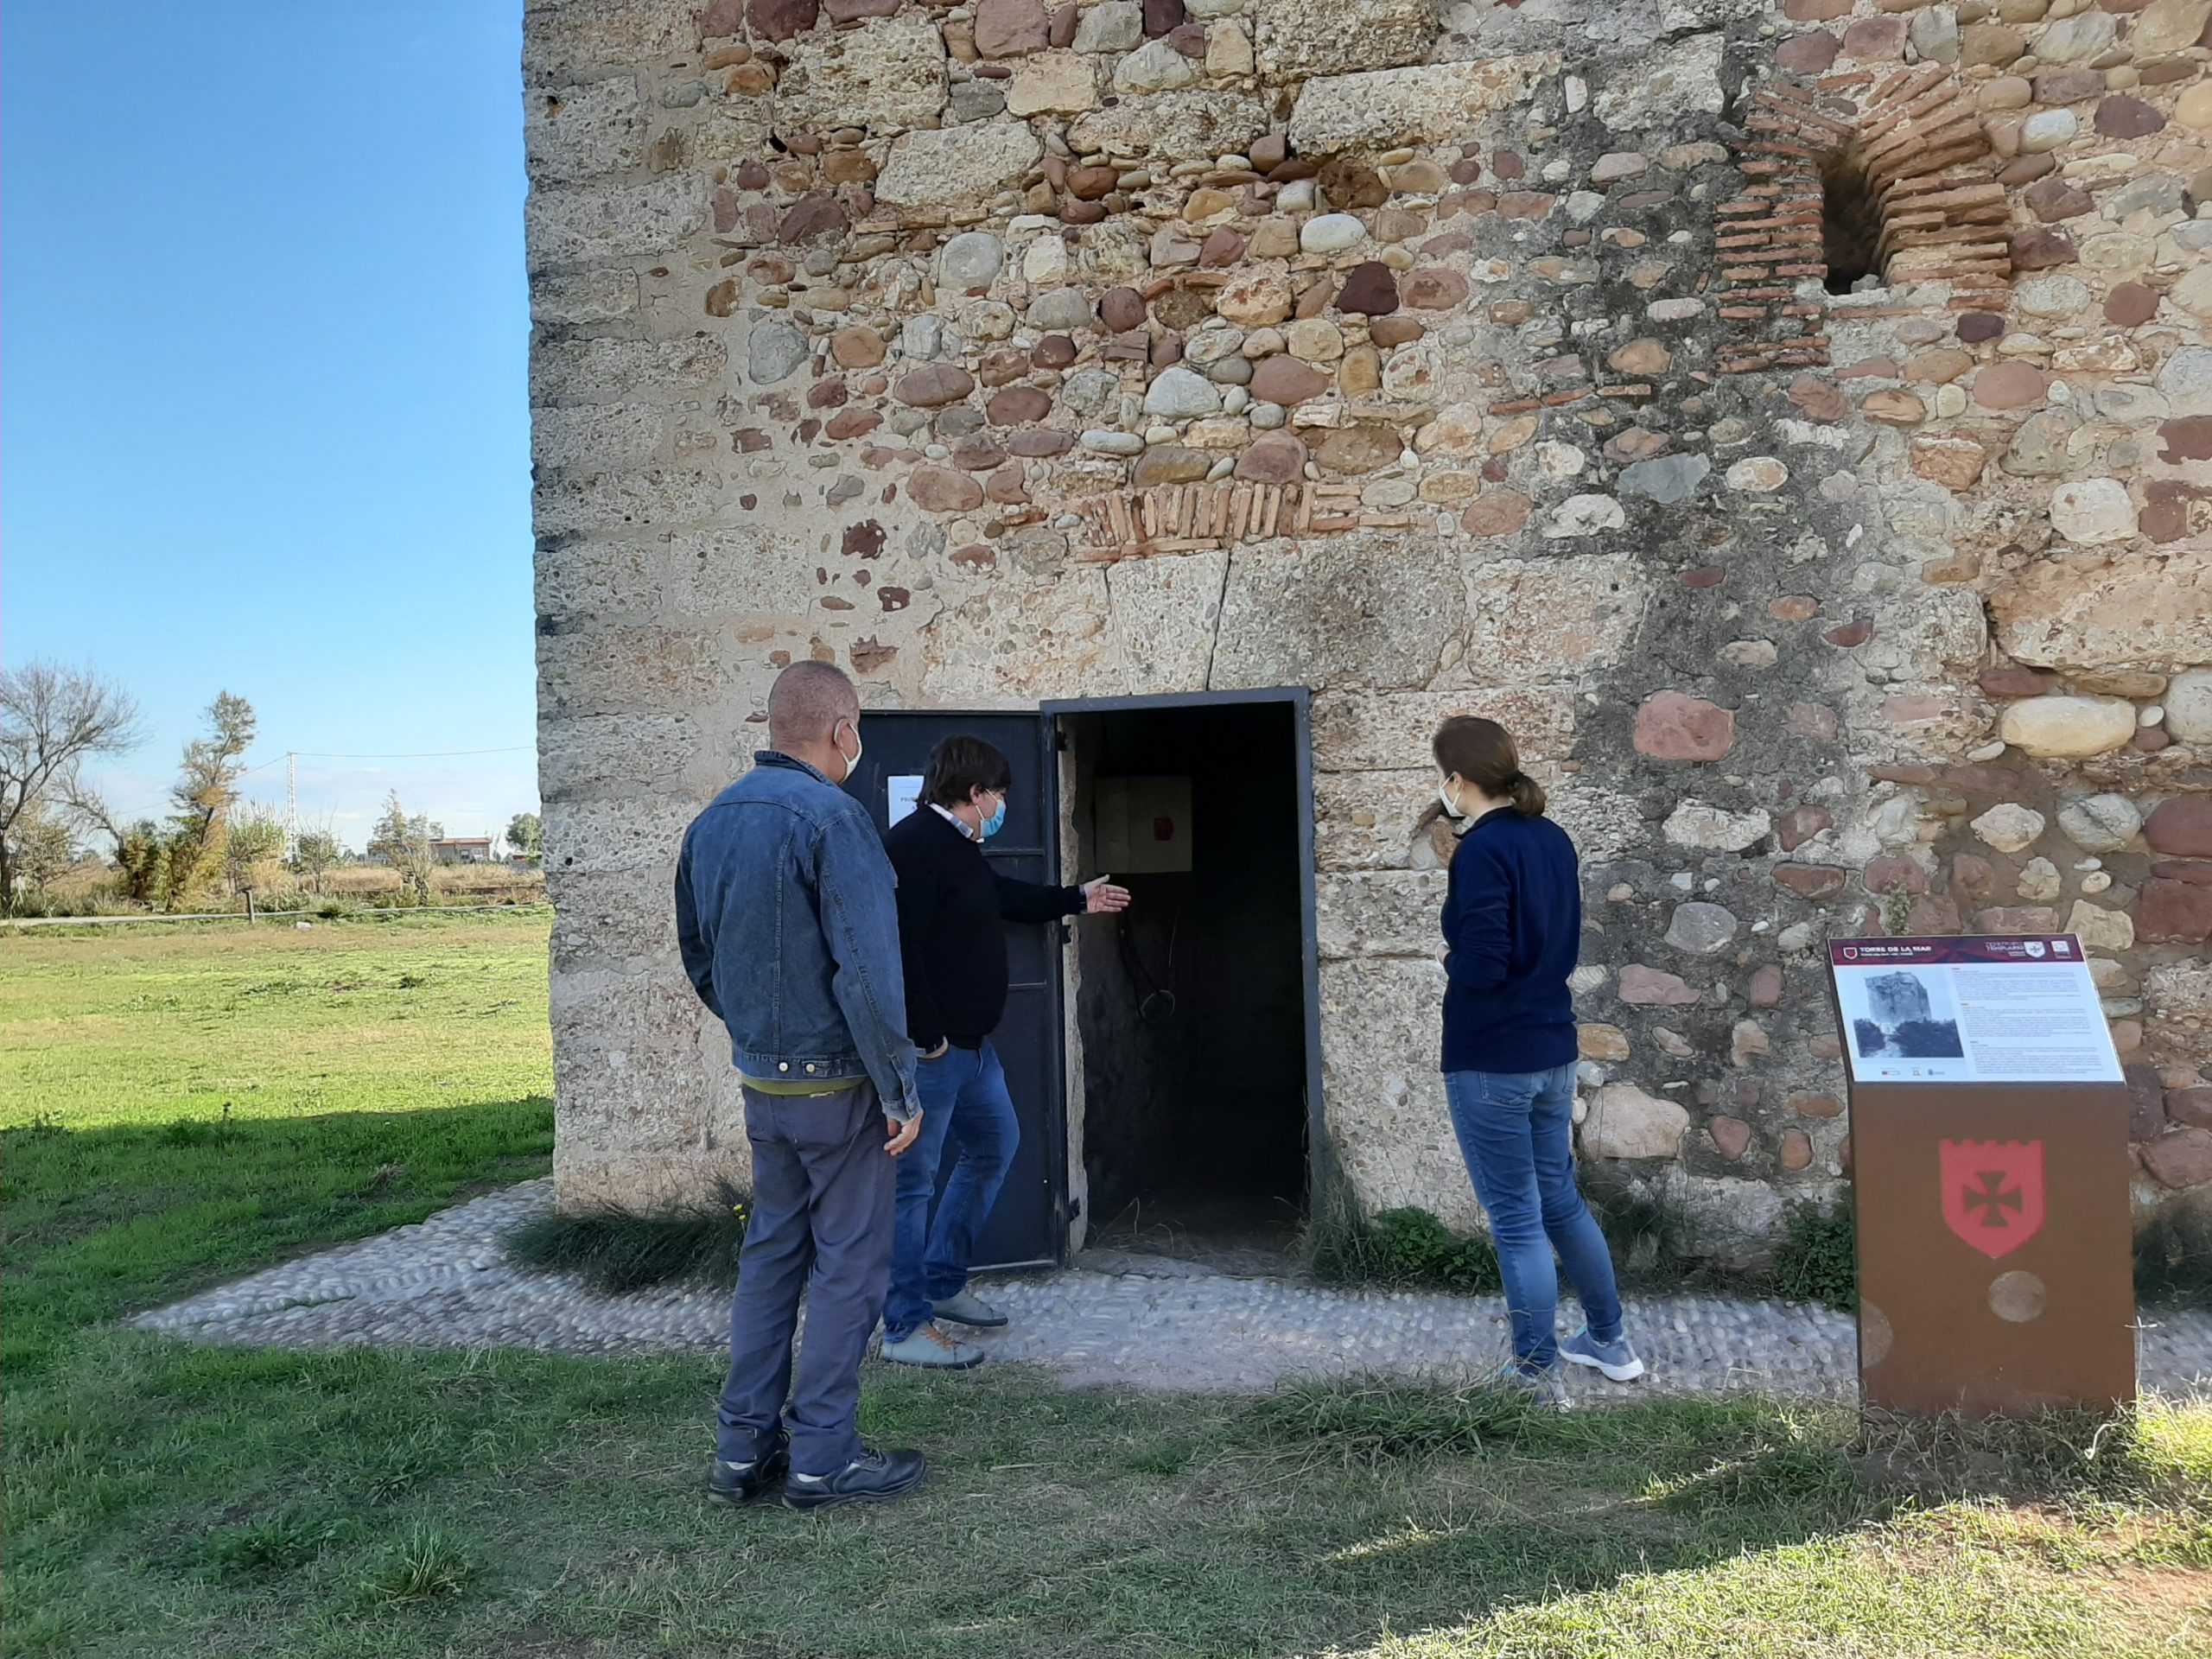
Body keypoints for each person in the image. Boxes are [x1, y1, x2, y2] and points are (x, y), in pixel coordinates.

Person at [676, 661, 929, 1510]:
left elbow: (698, 955)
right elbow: (867, 969)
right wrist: (899, 1087)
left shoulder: (711, 822)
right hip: (840, 1090)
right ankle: (823, 1455)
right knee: (851, 1269)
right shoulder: (836, 820)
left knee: (770, 1260)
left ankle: (742, 1448)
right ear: (841, 731)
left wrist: (756, 1031)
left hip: (764, 1087)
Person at [878, 734, 1130, 1369]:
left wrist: (1075, 898)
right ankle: (904, 1326)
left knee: (995, 1148)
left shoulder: (959, 848)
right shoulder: (912, 847)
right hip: (935, 1055)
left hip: (972, 1050)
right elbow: (897, 951)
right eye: (999, 795)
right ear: (973, 793)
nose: (1002, 805)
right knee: (911, 1188)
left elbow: (1001, 897)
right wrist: (927, 1036)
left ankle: (941, 1283)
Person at [1427, 715, 1643, 1406]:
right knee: (1559, 1200)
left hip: (1492, 1055)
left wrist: (1453, 956)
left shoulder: (1482, 851)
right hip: (1552, 1047)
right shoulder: (1552, 839)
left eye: (1445, 779)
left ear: (1457, 780)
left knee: (1517, 1217)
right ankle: (1610, 1343)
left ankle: (1532, 1370)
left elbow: (1485, 962)